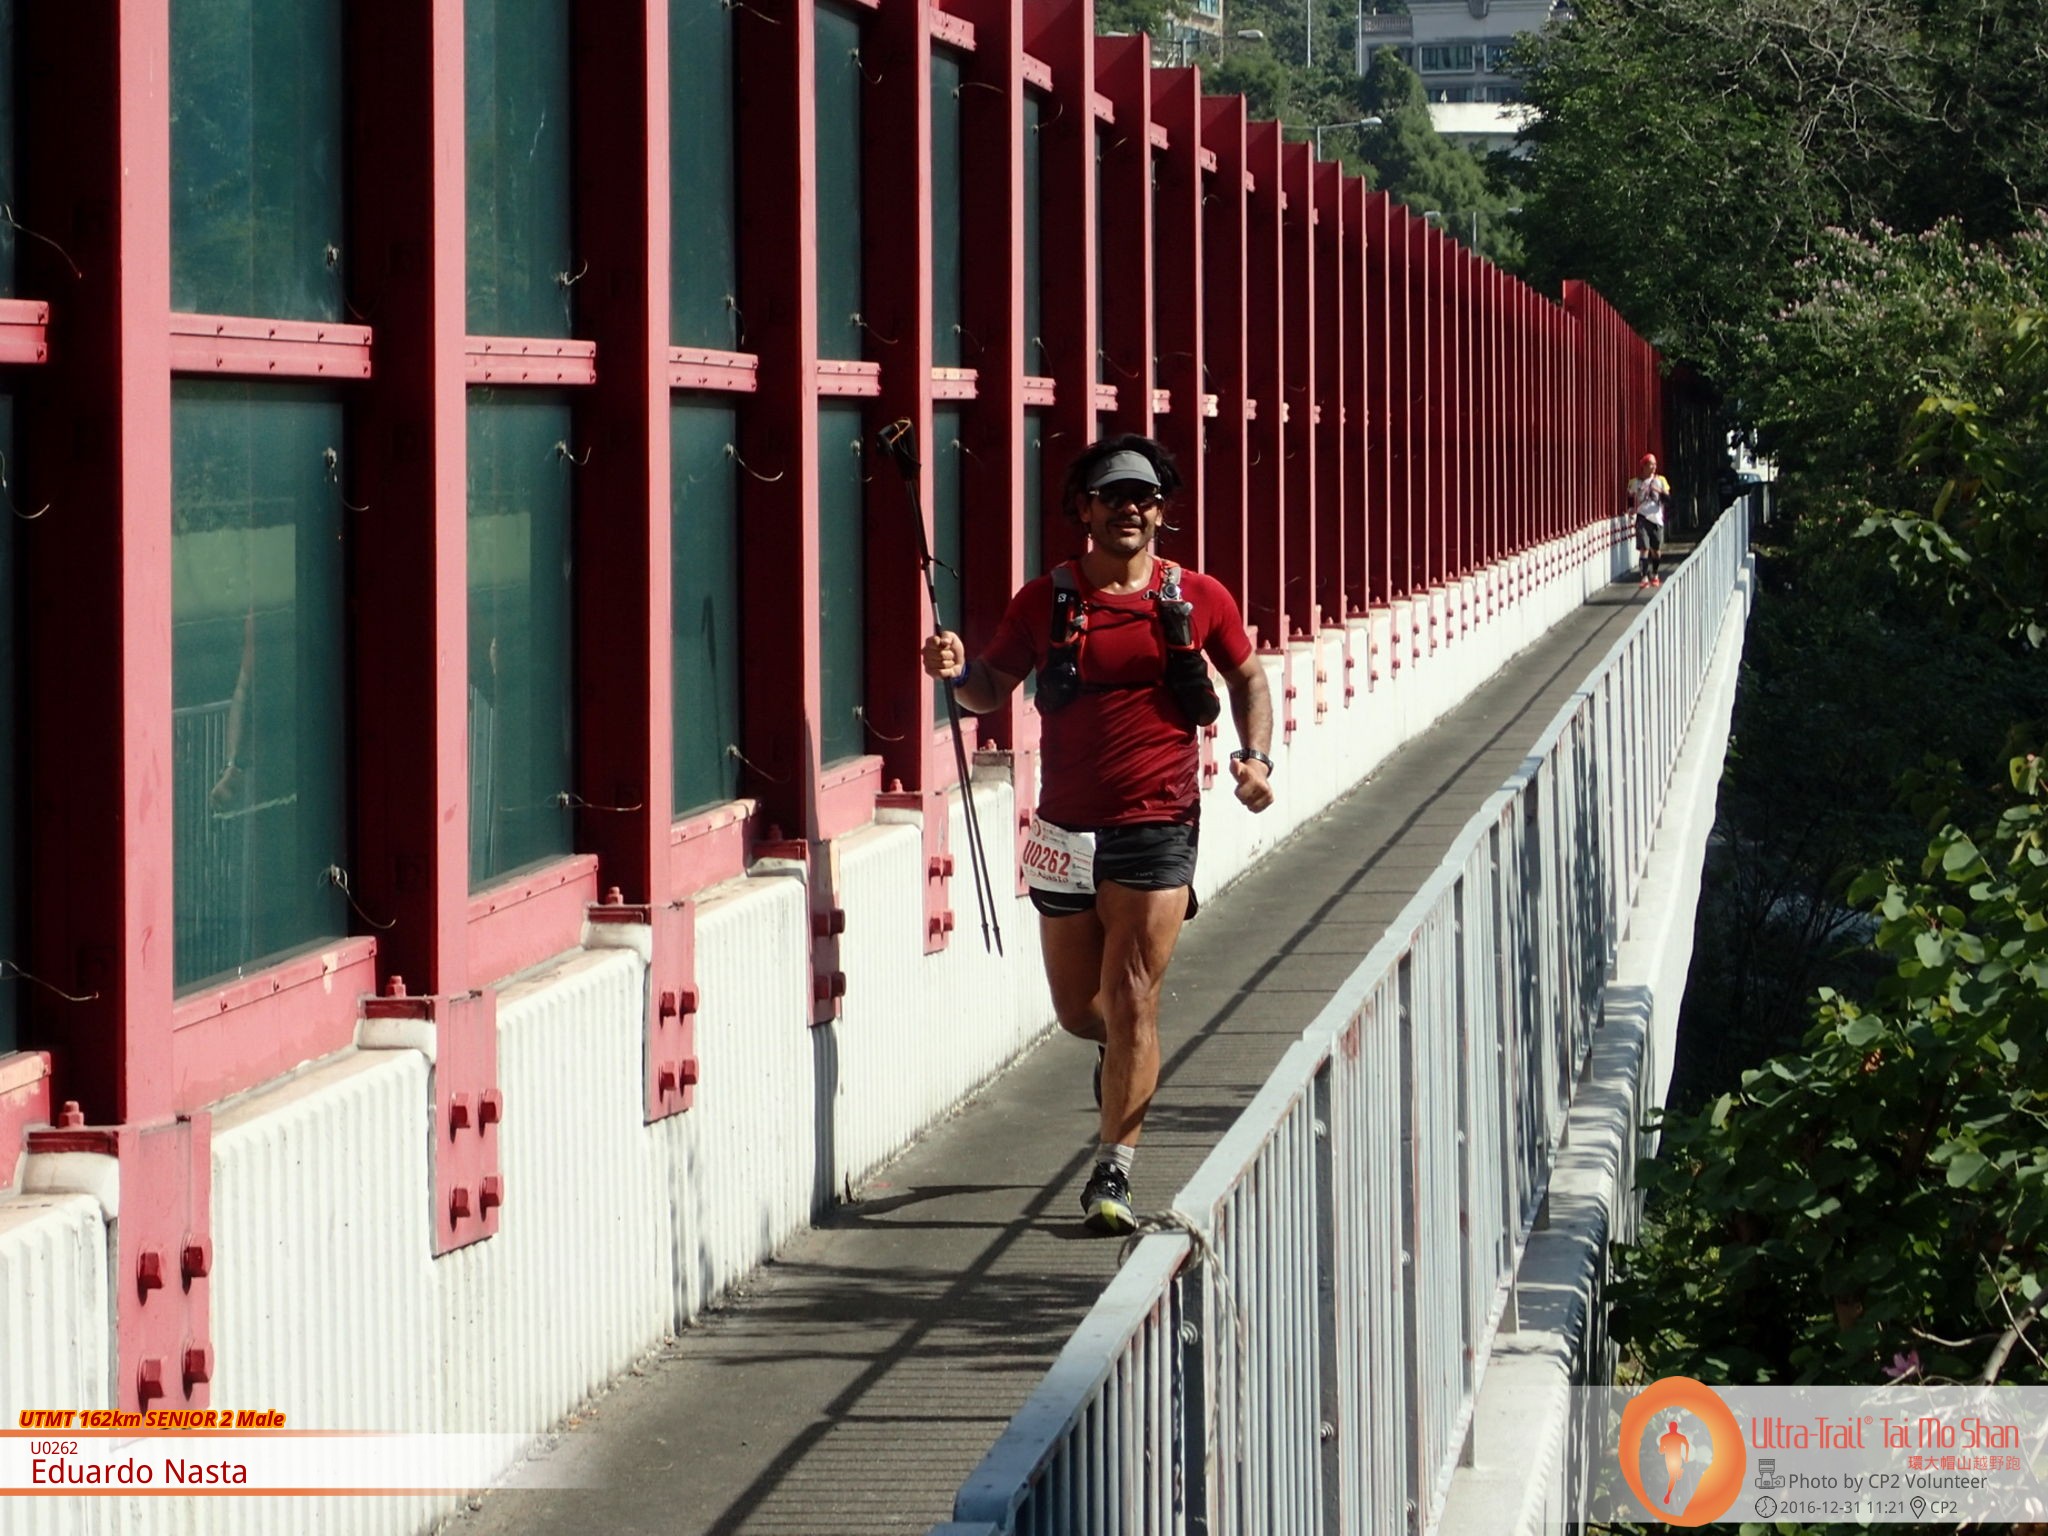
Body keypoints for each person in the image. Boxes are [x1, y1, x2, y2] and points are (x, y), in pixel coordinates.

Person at [920, 434, 1275, 1234]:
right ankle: (1117, 1065)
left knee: (1134, 996)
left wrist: (1254, 758)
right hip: (1065, 829)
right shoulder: (1044, 601)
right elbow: (987, 689)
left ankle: (1113, 1169)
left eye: (1144, 497)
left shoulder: (1198, 597)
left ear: (1162, 510)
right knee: (1084, 1012)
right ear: (1083, 509)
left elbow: (1247, 676)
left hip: (1159, 822)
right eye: (1113, 496)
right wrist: (955, 669)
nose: (1130, 510)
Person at [1628, 452, 1672, 588]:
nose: (1654, 467)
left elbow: (1668, 500)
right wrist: (1631, 508)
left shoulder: (1661, 480)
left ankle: (1655, 573)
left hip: (1657, 519)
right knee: (1644, 548)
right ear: (1644, 466)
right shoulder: (1635, 482)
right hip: (1642, 518)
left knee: (1656, 550)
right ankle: (1644, 577)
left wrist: (1659, 490)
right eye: (1651, 464)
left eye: (1655, 464)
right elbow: (1630, 495)